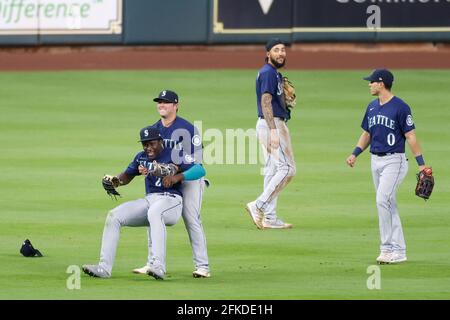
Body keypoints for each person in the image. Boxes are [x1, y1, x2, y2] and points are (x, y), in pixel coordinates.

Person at [82, 126, 206, 280]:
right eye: (145, 144)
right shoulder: (141, 157)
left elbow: (200, 170)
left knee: (155, 212)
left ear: (160, 142)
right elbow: (127, 175)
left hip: (171, 201)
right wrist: (116, 181)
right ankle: (104, 268)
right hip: (150, 200)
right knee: (114, 216)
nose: (148, 148)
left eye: (152, 143)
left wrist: (176, 178)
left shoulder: (175, 154)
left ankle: (158, 266)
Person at [346, 68, 431, 264]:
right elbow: (367, 133)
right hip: (375, 161)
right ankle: (395, 249)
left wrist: (421, 164)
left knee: (382, 200)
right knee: (387, 203)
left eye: (372, 81)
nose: (369, 84)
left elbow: (411, 136)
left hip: (395, 161)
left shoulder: (401, 107)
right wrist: (355, 153)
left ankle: (390, 249)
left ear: (381, 83)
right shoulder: (371, 107)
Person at [132, 90, 211, 278]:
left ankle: (203, 266)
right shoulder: (153, 129)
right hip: (163, 181)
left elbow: (198, 164)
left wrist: (178, 175)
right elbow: (148, 158)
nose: (161, 105)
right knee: (153, 214)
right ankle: (152, 263)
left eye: (166, 102)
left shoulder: (188, 129)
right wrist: (144, 168)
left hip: (189, 178)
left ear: (176, 105)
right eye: (159, 102)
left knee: (191, 218)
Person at [245, 38, 296, 230]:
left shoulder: (274, 73)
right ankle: (258, 205)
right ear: (268, 54)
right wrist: (274, 130)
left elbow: (272, 100)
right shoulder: (268, 73)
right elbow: (265, 102)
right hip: (271, 124)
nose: (281, 53)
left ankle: (270, 217)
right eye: (276, 50)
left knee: (273, 169)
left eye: (283, 50)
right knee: (287, 169)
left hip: (269, 124)